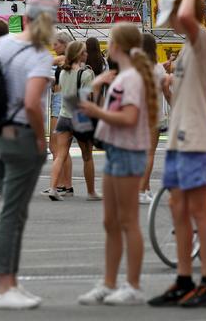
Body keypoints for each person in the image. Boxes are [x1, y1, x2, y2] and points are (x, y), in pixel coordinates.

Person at [148, 0, 206, 308]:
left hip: (196, 137)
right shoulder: (187, 50)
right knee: (177, 207)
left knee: (198, 209)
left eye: (172, 14)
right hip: (181, 136)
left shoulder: (203, 39)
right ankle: (184, 279)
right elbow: (182, 97)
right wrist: (168, 87)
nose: (171, 22)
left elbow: (187, 18)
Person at [0, 0, 59, 310]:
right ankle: (4, 286)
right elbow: (31, 103)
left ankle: (12, 282)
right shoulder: (40, 55)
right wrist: (42, 140)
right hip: (21, 137)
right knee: (12, 213)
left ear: (26, 17)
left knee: (13, 211)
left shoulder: (2, 44)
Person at [75, 23, 159, 305]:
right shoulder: (123, 76)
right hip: (116, 150)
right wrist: (96, 87)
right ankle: (109, 282)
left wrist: (96, 109)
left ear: (118, 46)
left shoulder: (132, 78)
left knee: (127, 221)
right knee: (110, 221)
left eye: (110, 40)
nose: (107, 45)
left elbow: (129, 118)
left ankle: (132, 284)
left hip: (127, 151)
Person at [45, 40, 97, 200]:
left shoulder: (63, 73)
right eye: (84, 52)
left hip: (64, 115)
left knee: (61, 154)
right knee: (87, 156)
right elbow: (88, 98)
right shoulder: (86, 74)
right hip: (80, 117)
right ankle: (91, 192)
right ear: (79, 55)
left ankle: (53, 188)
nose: (86, 54)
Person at [138, 32, 167, 205]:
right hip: (154, 113)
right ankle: (141, 190)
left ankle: (146, 187)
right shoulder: (158, 69)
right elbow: (166, 89)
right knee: (150, 153)